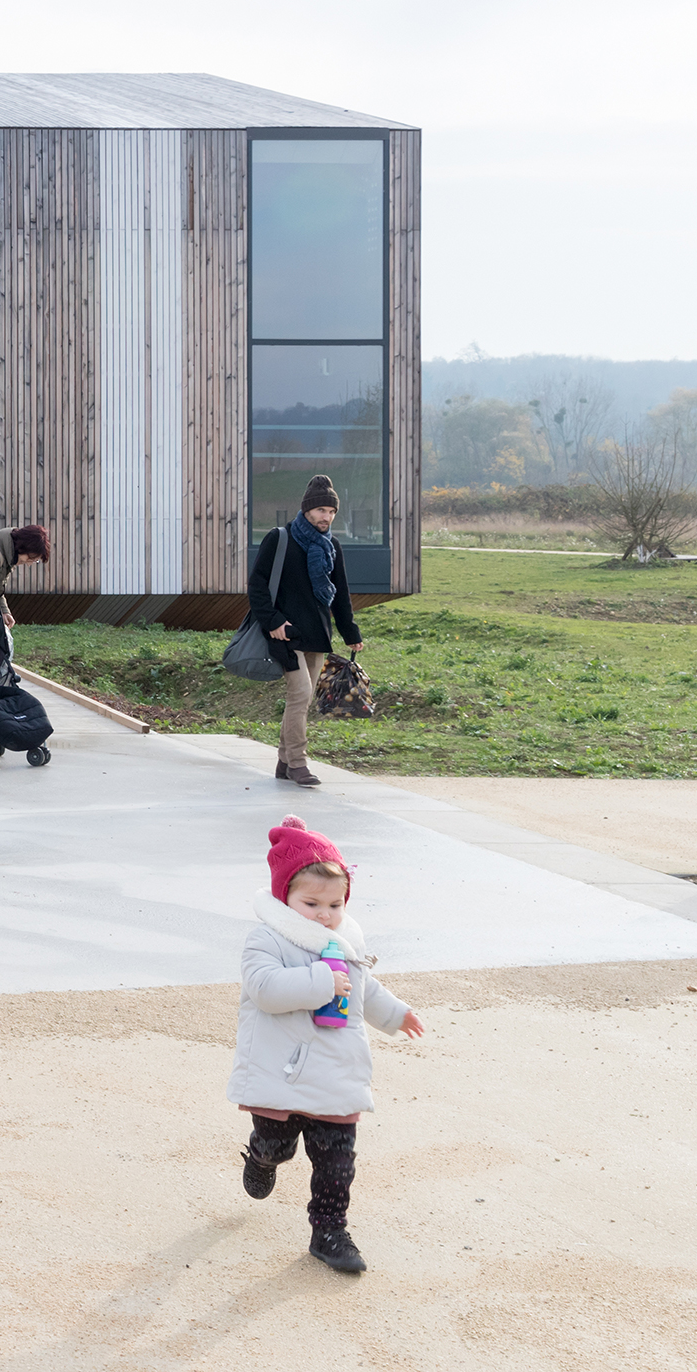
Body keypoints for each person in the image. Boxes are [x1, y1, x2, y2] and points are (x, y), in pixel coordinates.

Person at [229, 816, 425, 1276]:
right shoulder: (266, 940)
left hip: (336, 1074)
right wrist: (321, 980)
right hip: (283, 1073)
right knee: (278, 1145)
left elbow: (364, 989)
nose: (324, 914)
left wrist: (395, 1014)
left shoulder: (345, 942)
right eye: (311, 903)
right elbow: (265, 989)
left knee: (337, 1161)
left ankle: (330, 1231)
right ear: (284, 897)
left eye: (335, 904)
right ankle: (262, 1156)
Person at [251, 474, 365, 789]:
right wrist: (273, 622)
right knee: (300, 694)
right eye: (321, 510)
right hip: (285, 634)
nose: (326, 517)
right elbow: (257, 585)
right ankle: (298, 764)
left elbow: (340, 594)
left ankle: (284, 761)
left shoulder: (331, 546)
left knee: (302, 699)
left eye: (331, 511)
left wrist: (350, 632)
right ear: (307, 510)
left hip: (317, 634)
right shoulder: (280, 539)